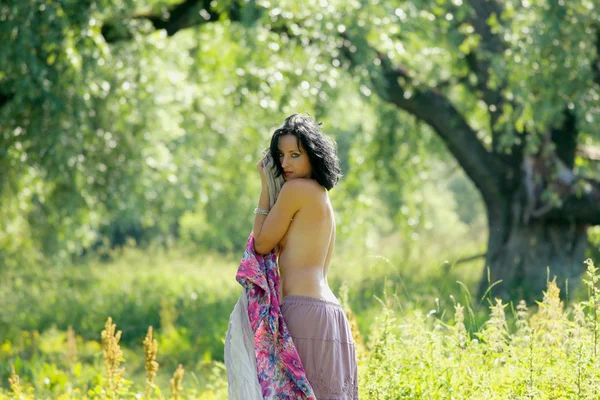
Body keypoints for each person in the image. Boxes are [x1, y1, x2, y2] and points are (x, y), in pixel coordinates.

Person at [253, 113, 359, 399]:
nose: (285, 163)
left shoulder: (296, 189)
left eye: (294, 155)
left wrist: (265, 187)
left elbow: (262, 244)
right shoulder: (321, 195)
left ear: (313, 156)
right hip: (331, 315)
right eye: (281, 155)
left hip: (303, 312)